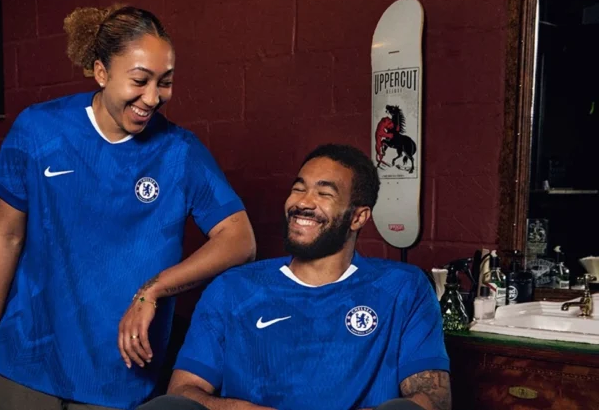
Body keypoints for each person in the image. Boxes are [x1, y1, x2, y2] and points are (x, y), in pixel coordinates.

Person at [0, 4, 256, 410]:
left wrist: (153, 290)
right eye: (140, 80)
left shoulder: (179, 152)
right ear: (101, 72)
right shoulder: (38, 130)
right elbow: (6, 236)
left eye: (165, 82)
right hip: (28, 361)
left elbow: (240, 239)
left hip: (117, 374)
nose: (153, 98)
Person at [139, 144, 451, 410]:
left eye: (324, 193)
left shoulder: (403, 288)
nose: (302, 202)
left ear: (358, 217)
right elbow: (183, 392)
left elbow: (434, 398)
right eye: (298, 188)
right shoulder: (232, 288)